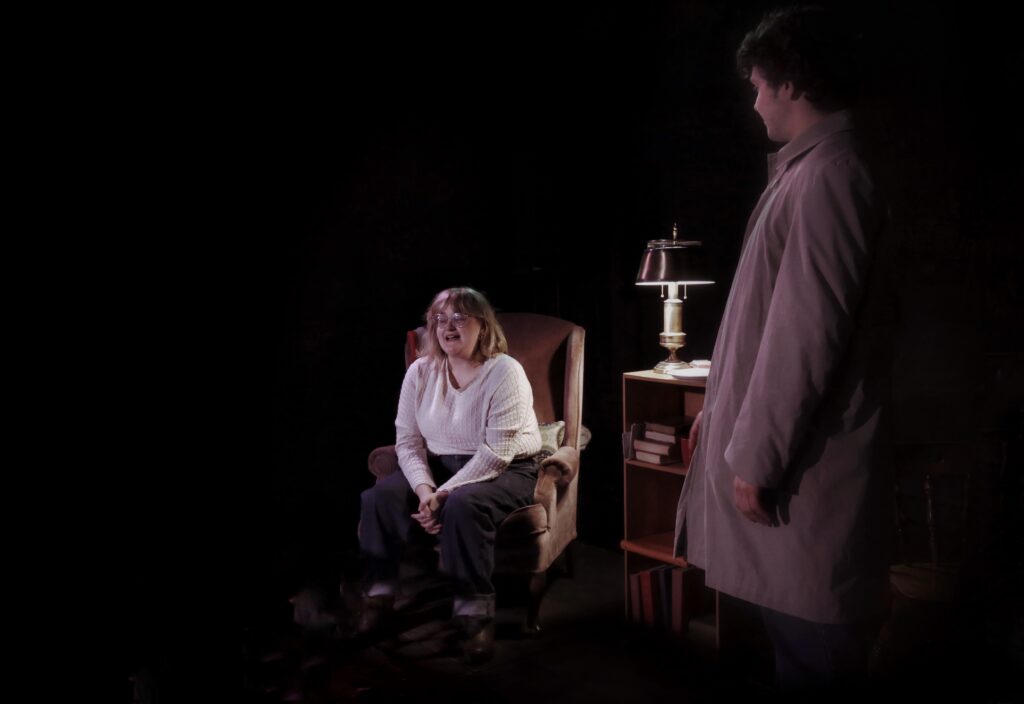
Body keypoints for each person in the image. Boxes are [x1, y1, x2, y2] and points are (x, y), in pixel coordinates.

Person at [674, 6, 893, 692]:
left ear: (790, 82)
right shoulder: (810, 171)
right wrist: (721, 417)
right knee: (796, 646)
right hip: (791, 465)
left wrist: (759, 455)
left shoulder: (832, 174)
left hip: (808, 474)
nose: (754, 101)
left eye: (759, 85)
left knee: (816, 654)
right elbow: (768, 325)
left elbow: (806, 333)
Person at [355, 286, 542, 664]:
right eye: (440, 319)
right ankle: (378, 597)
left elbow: (496, 454)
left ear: (483, 326)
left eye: (459, 317)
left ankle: (475, 616)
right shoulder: (420, 371)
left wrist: (445, 493)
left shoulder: (505, 372)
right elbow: (408, 442)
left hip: (506, 467)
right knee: (377, 498)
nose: (448, 327)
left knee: (463, 505)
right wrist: (426, 490)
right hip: (439, 465)